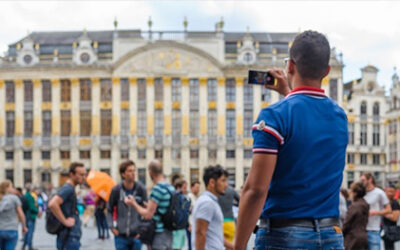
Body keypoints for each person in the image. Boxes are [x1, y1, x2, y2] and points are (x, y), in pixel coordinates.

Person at [235, 30, 348, 250]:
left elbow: (256, 190)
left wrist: (238, 247)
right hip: (331, 235)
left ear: (290, 67)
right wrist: (288, 92)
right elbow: (307, 115)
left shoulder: (274, 116)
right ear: (326, 71)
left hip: (284, 235)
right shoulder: (339, 117)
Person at [124, 159, 175, 250]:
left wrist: (133, 203)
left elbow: (148, 215)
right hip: (169, 234)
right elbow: (164, 208)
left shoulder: (157, 189)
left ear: (150, 172)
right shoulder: (170, 187)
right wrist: (149, 206)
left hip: (158, 234)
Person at [107, 160, 147, 250]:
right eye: (130, 171)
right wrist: (111, 227)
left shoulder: (141, 189)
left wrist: (142, 230)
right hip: (120, 236)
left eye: (134, 170)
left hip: (136, 236)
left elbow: (147, 211)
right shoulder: (116, 190)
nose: (133, 173)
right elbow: (109, 209)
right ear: (123, 174)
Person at [191, 165, 233, 250]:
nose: (226, 185)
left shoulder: (210, 201)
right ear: (212, 182)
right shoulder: (207, 203)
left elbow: (215, 234)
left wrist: (234, 246)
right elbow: (200, 233)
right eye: (223, 181)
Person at [48, 162, 86, 250]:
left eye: (84, 174)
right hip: (69, 235)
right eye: (81, 174)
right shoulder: (68, 188)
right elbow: (53, 204)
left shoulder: (71, 189)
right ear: (71, 174)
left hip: (70, 235)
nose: (84, 177)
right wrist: (65, 221)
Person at [360, 172, 391, 250]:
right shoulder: (361, 193)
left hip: (373, 230)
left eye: (363, 180)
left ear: (370, 180)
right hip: (360, 230)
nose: (361, 182)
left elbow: (388, 210)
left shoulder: (379, 193)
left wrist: (375, 213)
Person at [0, 180, 28, 250]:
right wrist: (24, 226)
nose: (13, 189)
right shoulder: (14, 198)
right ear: (7, 188)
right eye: (11, 187)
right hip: (11, 228)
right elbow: (21, 214)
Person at [343, 182, 369, 250]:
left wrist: (340, 234)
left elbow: (347, 223)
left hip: (353, 238)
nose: (350, 193)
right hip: (363, 236)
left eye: (351, 191)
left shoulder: (354, 206)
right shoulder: (365, 203)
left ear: (355, 193)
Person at [382, 185, 400, 250]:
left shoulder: (395, 203)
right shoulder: (384, 202)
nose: (390, 193)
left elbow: (394, 218)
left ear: (395, 192)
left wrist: (381, 213)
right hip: (383, 228)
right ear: (385, 192)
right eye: (389, 191)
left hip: (390, 230)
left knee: (389, 247)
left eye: (392, 192)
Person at [172, 178, 188, 250]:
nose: (186, 190)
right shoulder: (178, 196)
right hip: (178, 226)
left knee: (178, 247)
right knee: (177, 247)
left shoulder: (181, 197)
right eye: (184, 188)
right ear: (178, 187)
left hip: (180, 226)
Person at [22, 184, 39, 250]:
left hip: (26, 215)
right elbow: (32, 207)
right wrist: (37, 211)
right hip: (30, 216)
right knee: (30, 232)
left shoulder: (25, 195)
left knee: (26, 231)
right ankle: (29, 246)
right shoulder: (30, 196)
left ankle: (24, 245)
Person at [187, 180, 200, 250]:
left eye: (199, 187)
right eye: (197, 187)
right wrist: (189, 224)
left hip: (195, 224)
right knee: (191, 245)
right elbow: (188, 212)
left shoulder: (196, 197)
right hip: (191, 225)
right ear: (192, 187)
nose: (198, 189)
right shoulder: (189, 197)